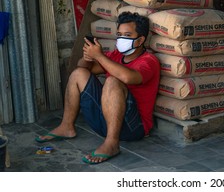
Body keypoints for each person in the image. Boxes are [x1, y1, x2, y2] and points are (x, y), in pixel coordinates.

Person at [35, 11, 161, 165]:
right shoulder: (116, 55)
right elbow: (84, 69)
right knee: (78, 74)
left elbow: (129, 77)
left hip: (133, 128)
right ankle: (66, 126)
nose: (121, 39)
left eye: (127, 35)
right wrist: (88, 58)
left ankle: (112, 143)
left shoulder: (149, 61)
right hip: (106, 122)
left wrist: (100, 56)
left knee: (112, 81)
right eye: (119, 34)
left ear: (140, 40)